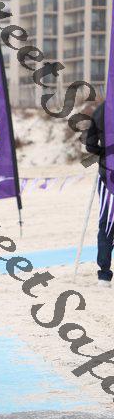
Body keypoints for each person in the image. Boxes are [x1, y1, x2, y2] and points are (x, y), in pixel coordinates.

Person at [85, 100, 114, 287]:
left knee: (107, 223)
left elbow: (90, 145)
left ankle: (104, 274)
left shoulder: (100, 110)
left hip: (108, 173)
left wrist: (104, 152)